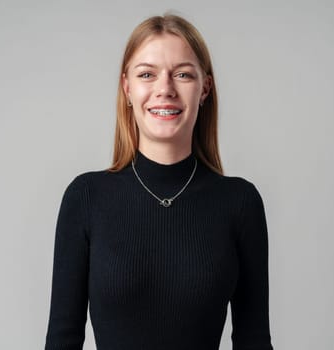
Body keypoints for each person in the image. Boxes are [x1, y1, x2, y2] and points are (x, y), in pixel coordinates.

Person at [45, 13, 273, 350]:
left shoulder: (240, 203)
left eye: (182, 74)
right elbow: (62, 342)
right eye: (147, 74)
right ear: (127, 88)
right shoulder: (86, 198)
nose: (164, 89)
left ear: (204, 88)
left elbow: (254, 341)